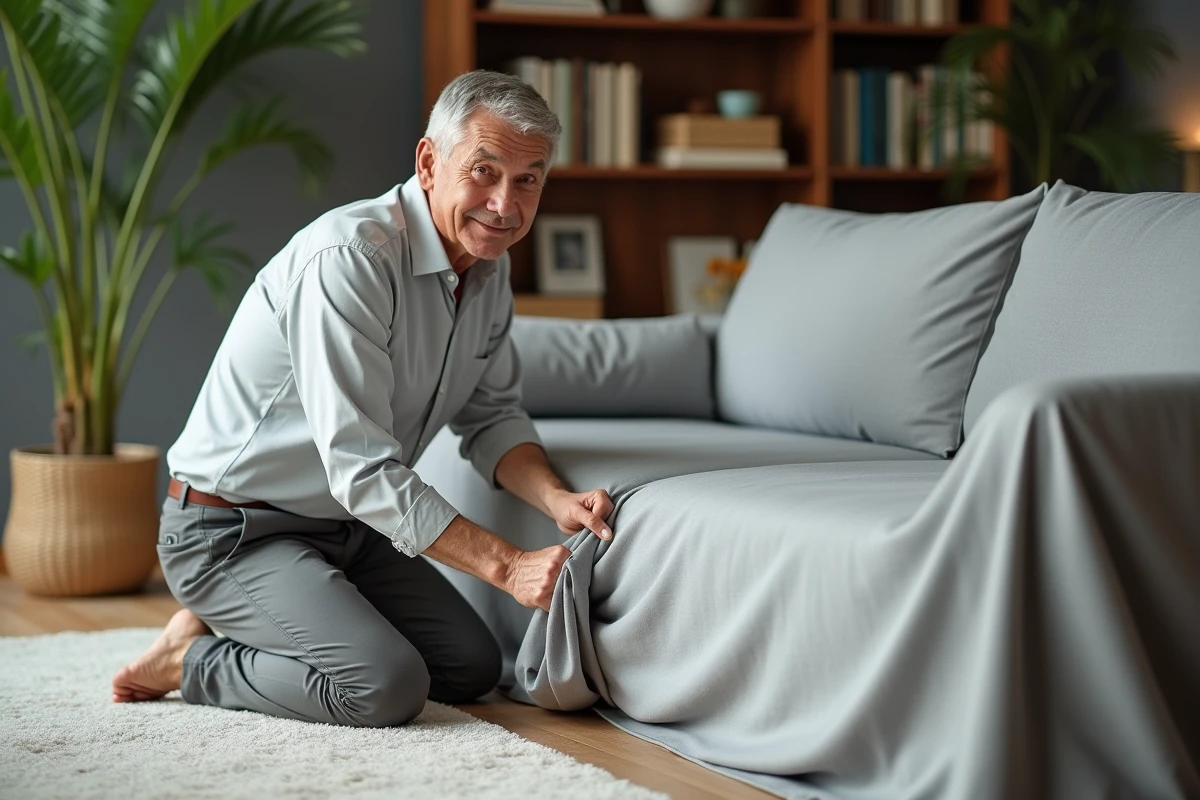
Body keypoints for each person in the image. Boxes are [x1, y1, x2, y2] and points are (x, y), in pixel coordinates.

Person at [110, 70, 615, 728]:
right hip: (231, 531)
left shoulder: (489, 270)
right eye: (485, 171)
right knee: (383, 687)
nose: (505, 204)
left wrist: (555, 498)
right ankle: (192, 661)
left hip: (346, 529)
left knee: (469, 668)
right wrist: (510, 566)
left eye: (528, 179)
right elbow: (360, 468)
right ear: (429, 162)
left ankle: (235, 619)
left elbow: (491, 416)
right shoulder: (350, 259)